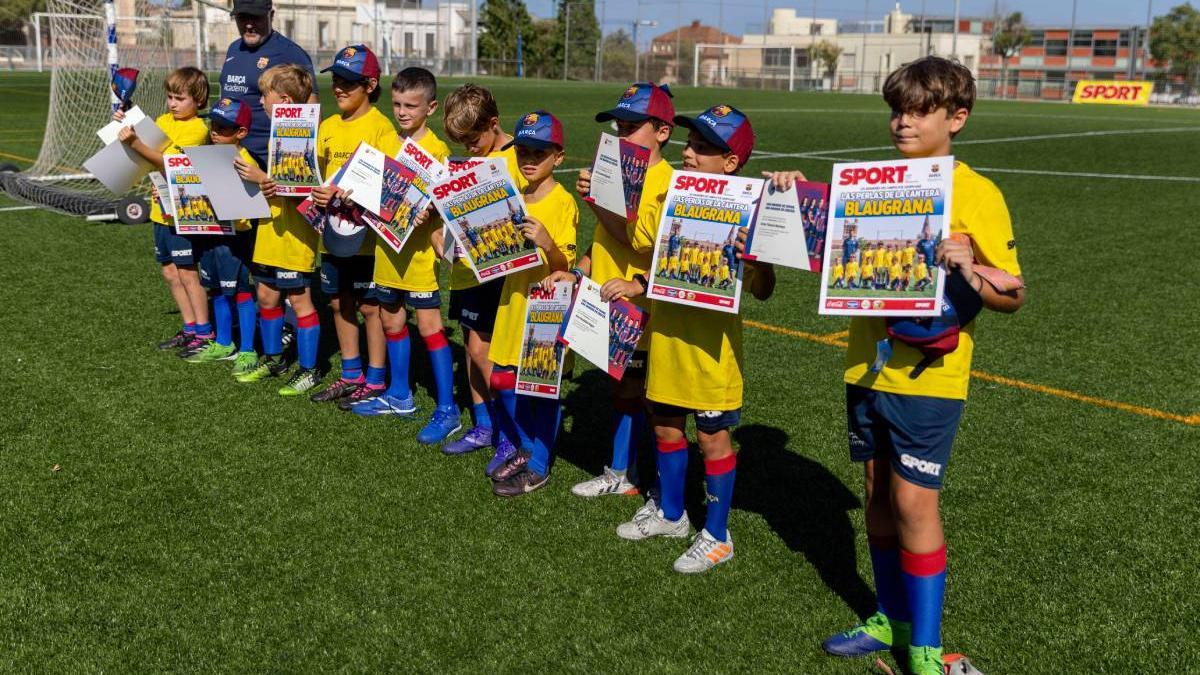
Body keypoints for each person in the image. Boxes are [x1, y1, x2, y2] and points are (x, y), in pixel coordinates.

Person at [821, 56, 1025, 675]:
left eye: (918, 111)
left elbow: (1012, 294)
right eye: (896, 110)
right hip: (865, 366)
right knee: (879, 496)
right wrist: (790, 198)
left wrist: (970, 263)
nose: (902, 122)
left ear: (956, 118)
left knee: (914, 504)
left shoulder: (978, 192)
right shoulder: (871, 183)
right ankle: (892, 618)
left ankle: (927, 651)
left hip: (928, 377)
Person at [610, 104, 794, 574]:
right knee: (667, 429)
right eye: (689, 144)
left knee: (713, 441)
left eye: (701, 147)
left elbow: (765, 289)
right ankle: (672, 514)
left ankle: (717, 534)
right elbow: (649, 249)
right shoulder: (671, 191)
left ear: (731, 162)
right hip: (668, 336)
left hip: (713, 352)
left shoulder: (752, 208)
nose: (688, 153)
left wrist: (761, 253)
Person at [558, 82, 677, 499]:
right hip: (605, 299)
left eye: (631, 126)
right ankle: (623, 472)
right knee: (624, 391)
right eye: (618, 126)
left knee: (645, 398)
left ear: (662, 131)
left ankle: (643, 480)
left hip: (642, 306)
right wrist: (579, 271)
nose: (621, 135)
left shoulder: (666, 184)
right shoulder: (616, 172)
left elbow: (638, 244)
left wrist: (597, 203)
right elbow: (603, 241)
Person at [346, 68, 459, 448]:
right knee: (391, 321)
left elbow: (447, 207)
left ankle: (447, 408)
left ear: (431, 107)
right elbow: (368, 185)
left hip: (418, 257)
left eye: (411, 105)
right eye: (396, 104)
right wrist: (352, 192)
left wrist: (432, 212)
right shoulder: (383, 139)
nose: (402, 112)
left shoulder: (438, 151)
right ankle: (399, 395)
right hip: (385, 251)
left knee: (429, 327)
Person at [484, 111, 578, 496]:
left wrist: (547, 243)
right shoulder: (513, 197)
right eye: (523, 150)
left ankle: (539, 464)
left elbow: (565, 268)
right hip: (512, 300)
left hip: (545, 308)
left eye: (539, 152)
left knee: (542, 388)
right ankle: (525, 445)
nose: (529, 159)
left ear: (558, 156)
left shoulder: (563, 202)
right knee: (503, 378)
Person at [438, 84, 529, 472]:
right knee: (469, 342)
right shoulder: (471, 159)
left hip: (502, 271)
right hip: (467, 269)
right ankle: (484, 425)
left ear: (494, 123)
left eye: (474, 139)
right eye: (462, 142)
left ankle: (512, 435)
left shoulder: (518, 157)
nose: (470, 147)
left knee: (484, 351)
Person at [309, 45, 400, 401]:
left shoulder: (382, 129)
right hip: (331, 234)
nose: (339, 88)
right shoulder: (328, 127)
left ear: (370, 84)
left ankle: (375, 379)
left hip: (366, 237)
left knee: (369, 306)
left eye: (349, 81)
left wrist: (357, 195)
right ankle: (350, 373)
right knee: (337, 301)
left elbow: (392, 184)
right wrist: (317, 193)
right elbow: (315, 173)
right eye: (336, 80)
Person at [232, 64, 319, 384]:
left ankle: (309, 370)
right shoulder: (276, 136)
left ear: (282, 100)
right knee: (267, 297)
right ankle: (274, 360)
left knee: (299, 300)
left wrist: (262, 178)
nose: (260, 102)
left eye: (264, 96)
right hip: (269, 232)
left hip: (293, 238)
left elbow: (299, 188)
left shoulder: (302, 134)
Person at [114, 67, 210, 353]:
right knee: (170, 273)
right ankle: (189, 327)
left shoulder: (198, 130)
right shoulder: (162, 120)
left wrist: (134, 141)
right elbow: (148, 146)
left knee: (188, 273)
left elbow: (168, 163)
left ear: (199, 100)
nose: (172, 103)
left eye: (179, 98)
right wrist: (126, 119)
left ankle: (204, 334)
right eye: (169, 96)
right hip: (159, 211)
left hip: (184, 213)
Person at [187, 97, 258, 364]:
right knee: (215, 289)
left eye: (223, 128)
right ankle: (223, 342)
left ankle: (249, 349)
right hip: (208, 233)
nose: (215, 131)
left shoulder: (245, 162)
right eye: (213, 125)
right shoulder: (206, 157)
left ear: (241, 133)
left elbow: (250, 206)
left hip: (234, 238)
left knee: (240, 291)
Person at [219, 0, 318, 167]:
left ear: (271, 15)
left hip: (269, 165)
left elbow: (312, 113)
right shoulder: (233, 49)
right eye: (242, 18)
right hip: (230, 158)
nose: (249, 25)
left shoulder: (291, 53)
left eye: (255, 17)